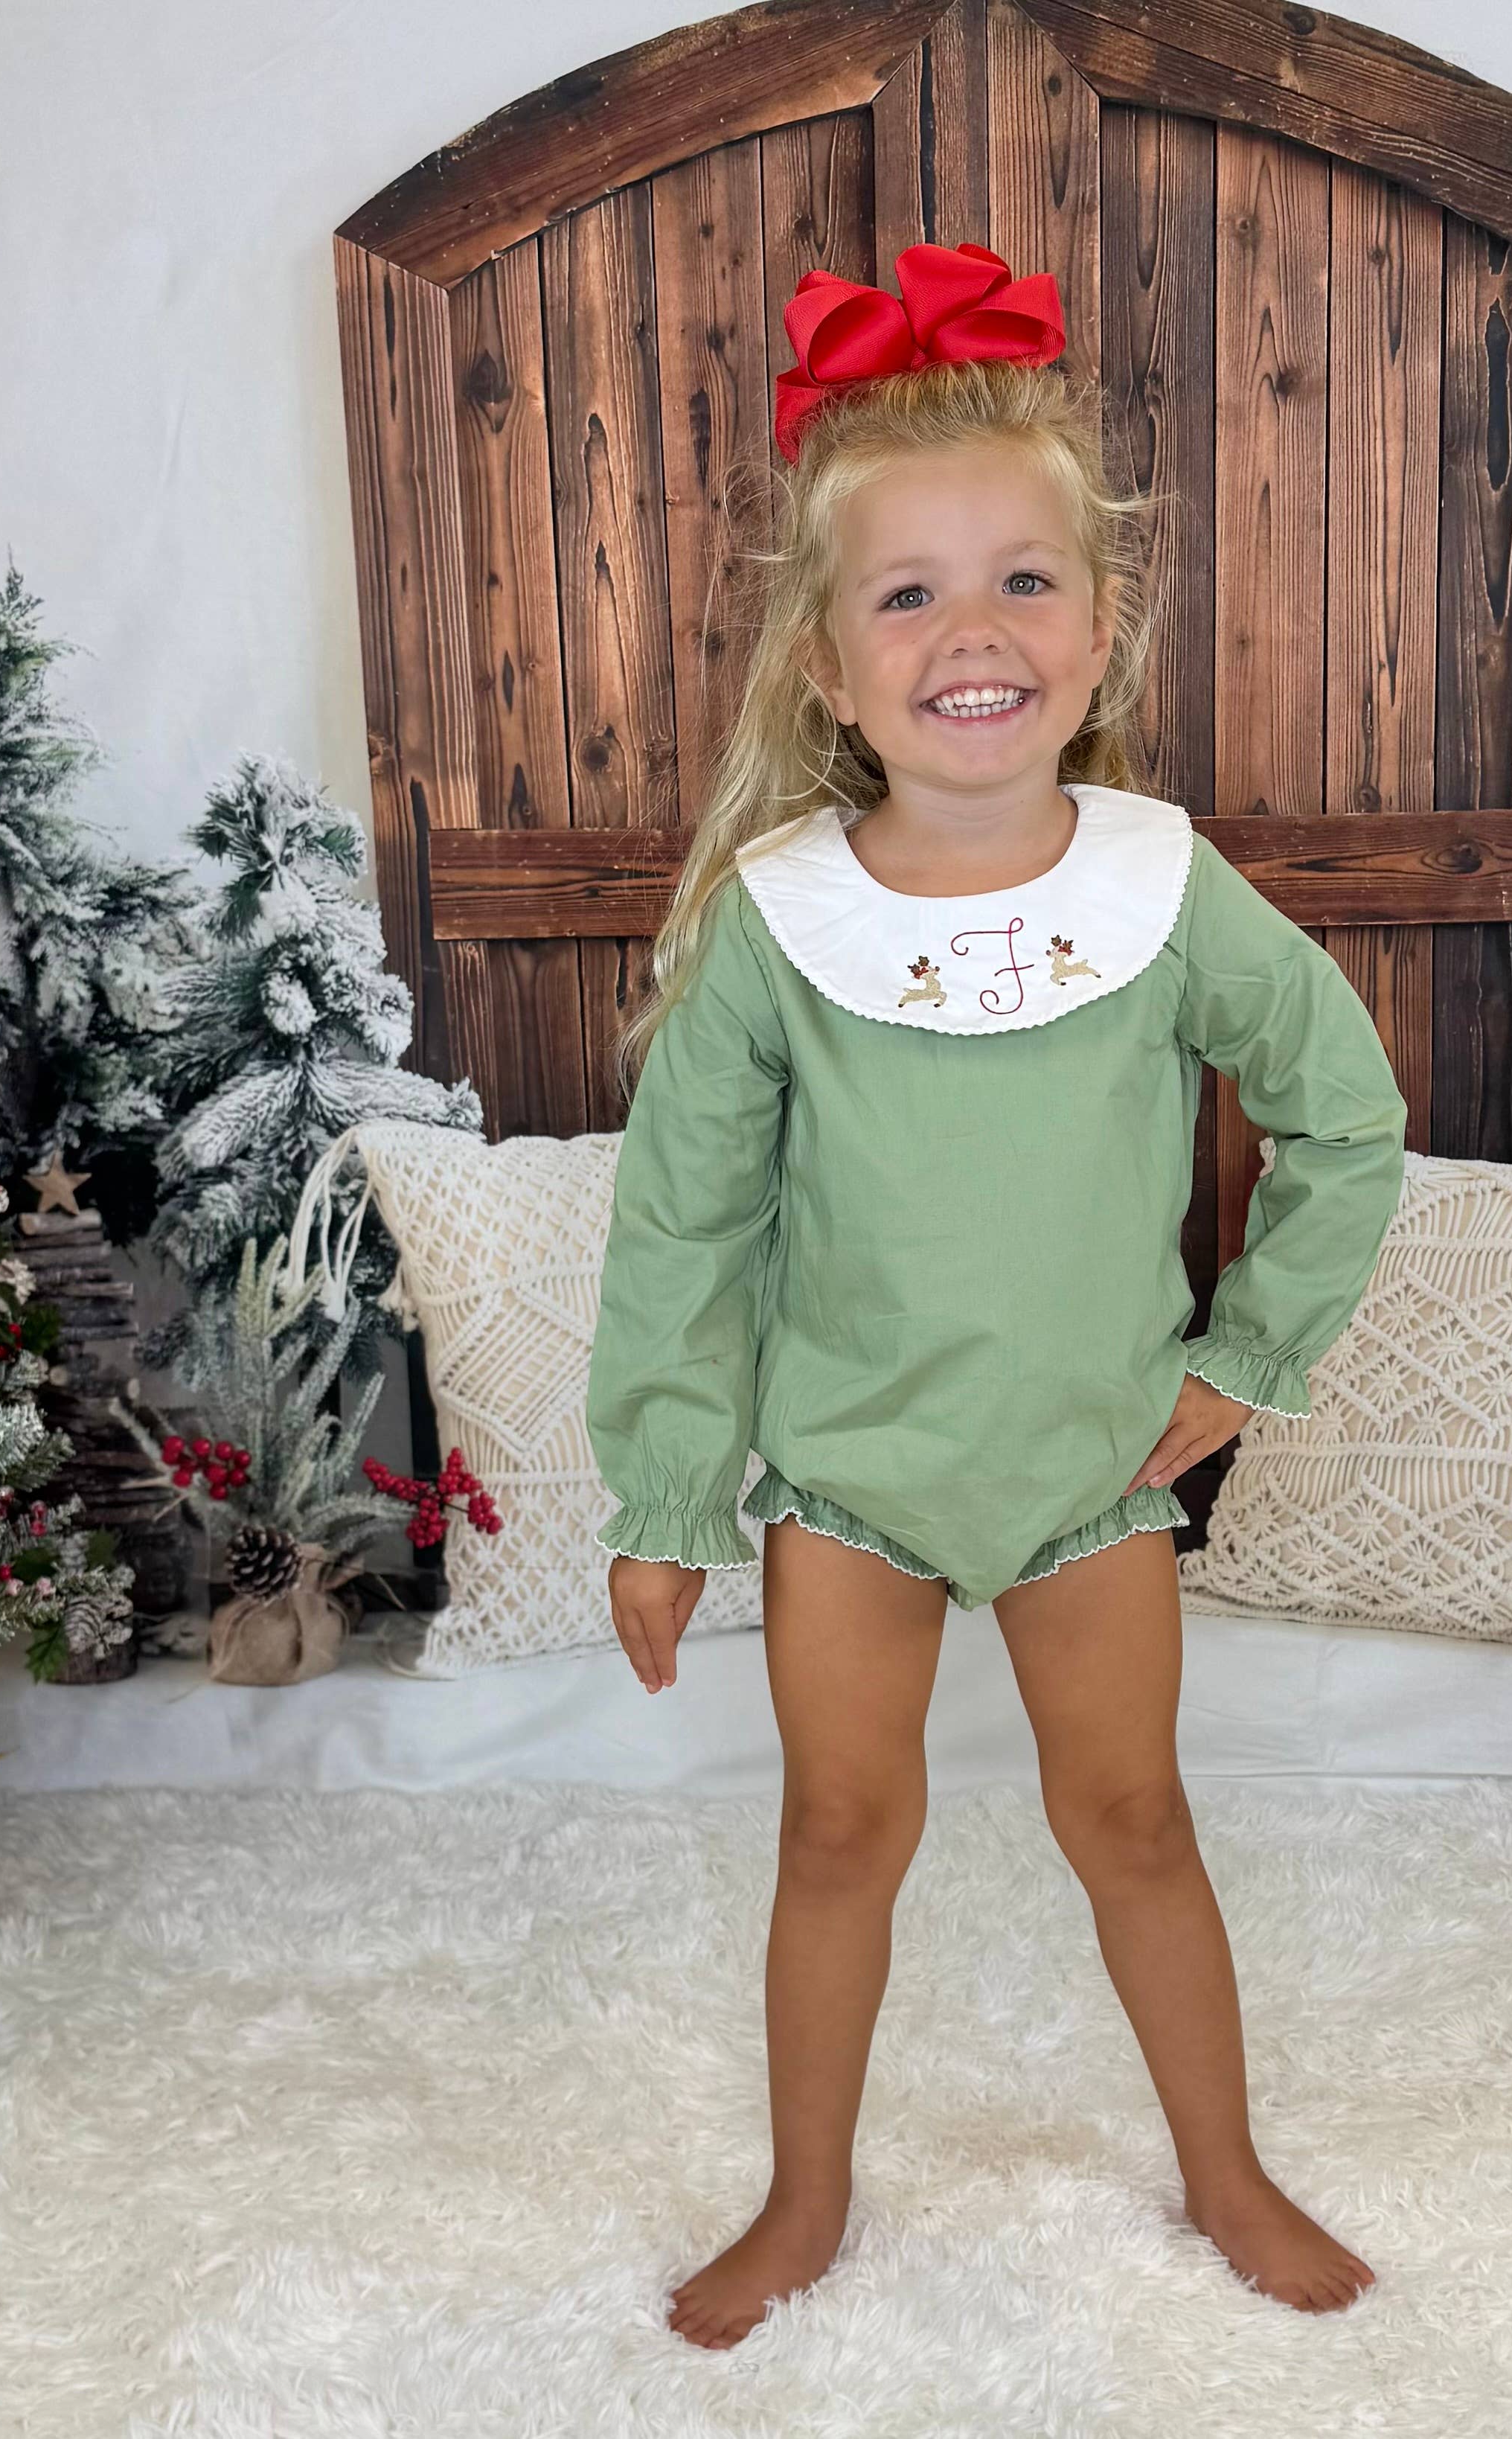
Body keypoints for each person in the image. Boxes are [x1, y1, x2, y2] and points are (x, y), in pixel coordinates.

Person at [586, 240, 1409, 2349]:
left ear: (1100, 624)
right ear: (828, 666)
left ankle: (1223, 2171)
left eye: (1024, 580)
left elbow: (1345, 1114)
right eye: (910, 594)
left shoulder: (1162, 887)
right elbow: (683, 1228)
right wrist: (667, 1500)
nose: (974, 632)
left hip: (1086, 1476)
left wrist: (1250, 1358)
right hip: (849, 1484)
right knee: (838, 1834)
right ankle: (804, 2201)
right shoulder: (777, 930)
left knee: (1134, 1820)